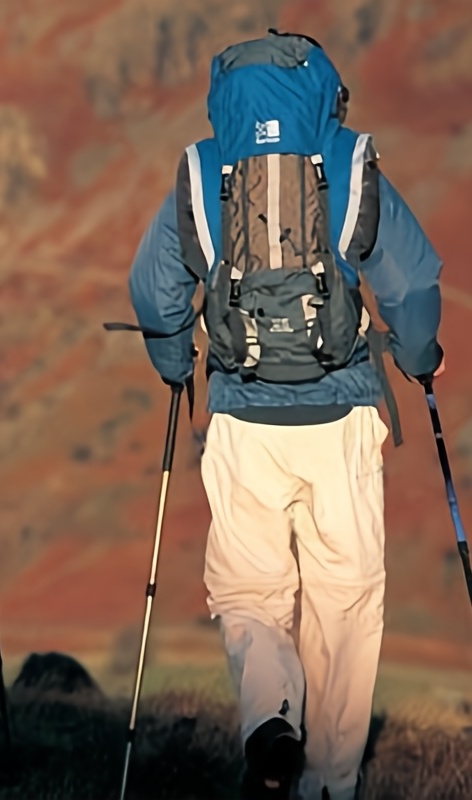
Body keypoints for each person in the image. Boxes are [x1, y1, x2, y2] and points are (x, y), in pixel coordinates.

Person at [128, 31, 444, 800]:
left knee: (249, 593)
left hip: (242, 419)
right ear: (323, 90)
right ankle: (330, 783)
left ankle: (271, 719)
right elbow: (412, 278)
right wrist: (419, 356)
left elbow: (153, 288)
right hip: (343, 417)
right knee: (346, 599)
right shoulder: (347, 159)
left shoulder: (201, 171)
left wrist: (176, 367)